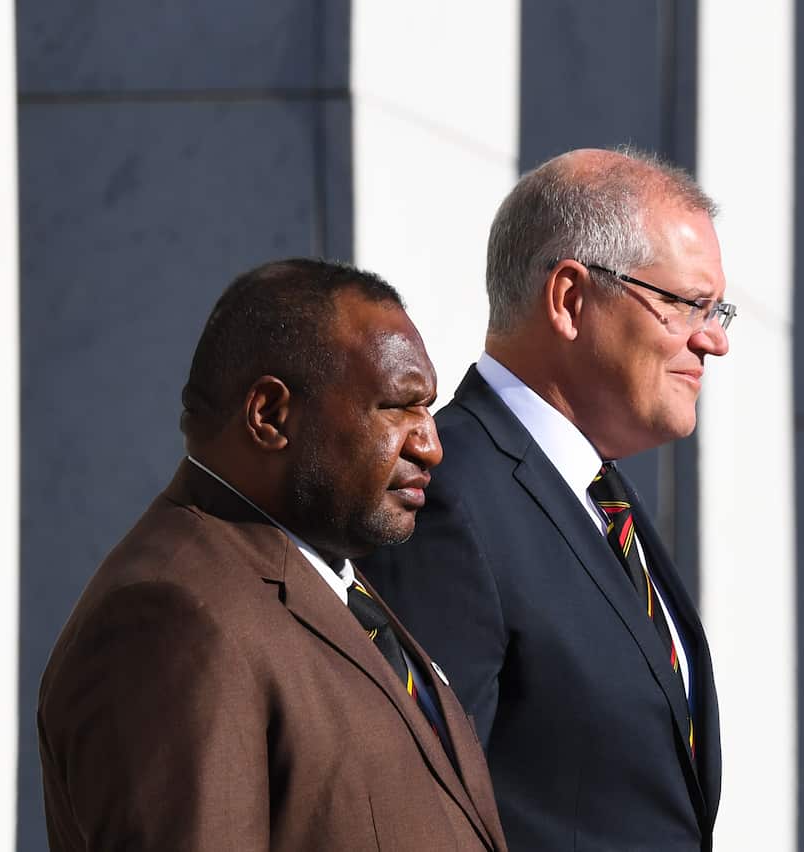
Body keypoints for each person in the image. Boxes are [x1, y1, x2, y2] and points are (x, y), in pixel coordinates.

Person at [37, 258, 508, 851]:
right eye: (396, 407)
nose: (430, 445)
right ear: (270, 415)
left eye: (429, 410)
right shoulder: (172, 618)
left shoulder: (332, 579)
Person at [361, 148, 733, 851]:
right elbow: (418, 815)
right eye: (689, 304)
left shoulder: (601, 498)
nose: (713, 341)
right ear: (569, 300)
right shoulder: (447, 496)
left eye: (720, 311)